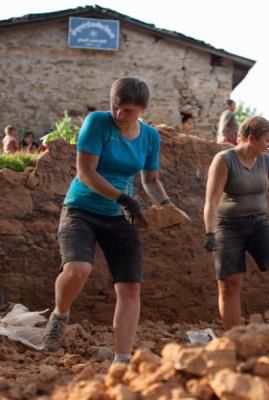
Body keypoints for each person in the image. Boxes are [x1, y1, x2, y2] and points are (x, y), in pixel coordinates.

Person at [42, 77, 177, 364]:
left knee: (130, 286)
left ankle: (122, 359)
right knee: (78, 269)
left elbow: (150, 180)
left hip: (120, 216)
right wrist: (124, 198)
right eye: (116, 107)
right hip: (81, 209)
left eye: (127, 110)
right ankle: (60, 313)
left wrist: (165, 205)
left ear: (141, 110)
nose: (119, 114)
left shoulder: (150, 137)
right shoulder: (97, 122)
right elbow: (86, 173)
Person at [203, 115, 269, 330]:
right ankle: (234, 337)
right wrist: (210, 232)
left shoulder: (267, 161)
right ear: (251, 138)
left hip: (259, 223)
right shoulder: (224, 160)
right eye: (267, 140)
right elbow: (212, 200)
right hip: (228, 226)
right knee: (229, 284)